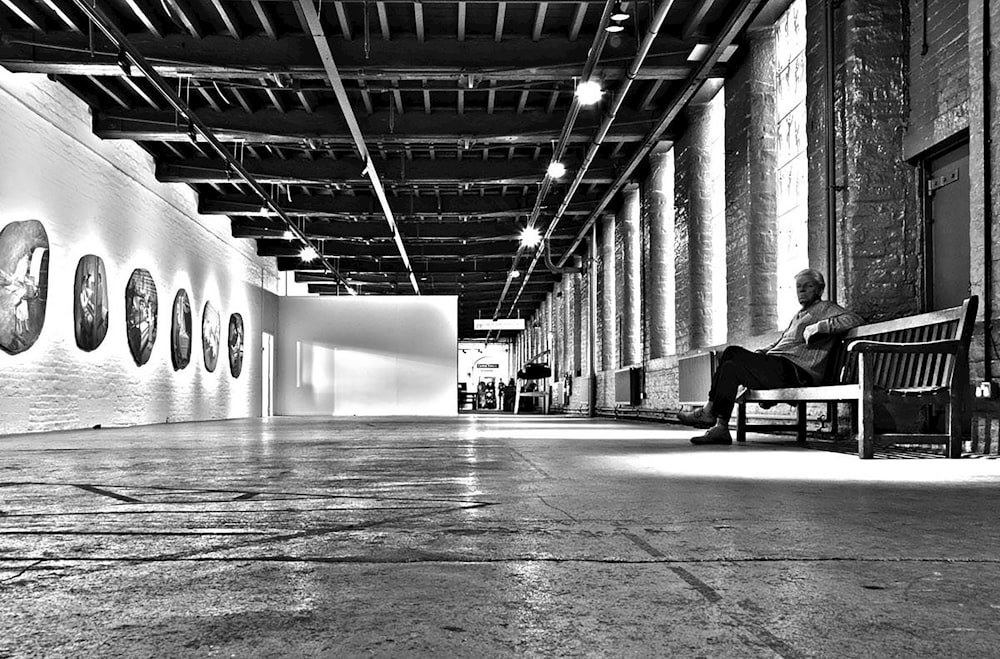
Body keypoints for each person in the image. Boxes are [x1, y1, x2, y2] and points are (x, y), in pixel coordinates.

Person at [679, 268, 863, 446]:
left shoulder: (825, 308)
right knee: (730, 366)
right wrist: (761, 353)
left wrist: (820, 327)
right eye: (799, 286)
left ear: (820, 289)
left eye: (808, 286)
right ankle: (721, 427)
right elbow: (780, 343)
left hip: (796, 371)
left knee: (732, 352)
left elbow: (855, 320)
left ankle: (709, 410)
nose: (802, 290)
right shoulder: (799, 315)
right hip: (778, 365)